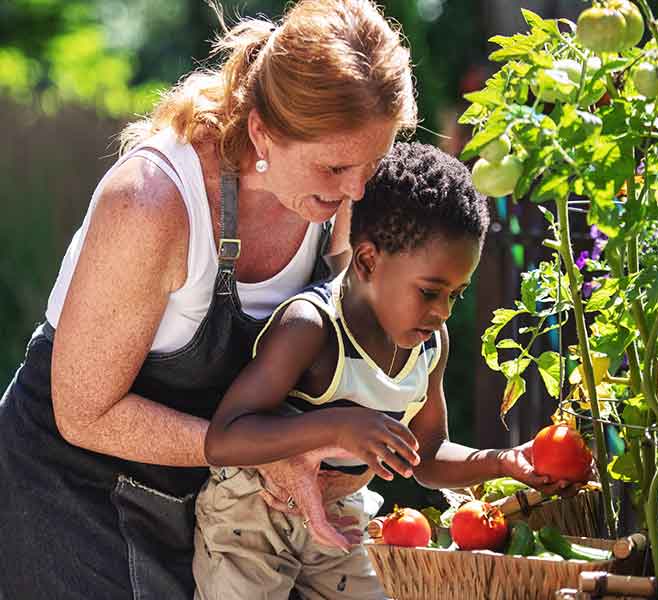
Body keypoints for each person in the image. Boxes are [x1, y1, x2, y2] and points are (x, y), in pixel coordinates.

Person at [0, 1, 416, 598]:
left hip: (207, 500)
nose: (358, 188)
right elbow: (83, 412)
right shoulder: (151, 201)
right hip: (70, 494)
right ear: (261, 133)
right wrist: (264, 452)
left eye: (372, 163)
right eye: (336, 167)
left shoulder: (341, 194)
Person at [192, 142, 585, 600]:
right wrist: (337, 428)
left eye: (455, 295)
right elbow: (224, 438)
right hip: (252, 515)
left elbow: (428, 454)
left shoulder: (429, 346)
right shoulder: (312, 327)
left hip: (339, 515)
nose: (442, 312)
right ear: (367, 261)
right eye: (429, 292)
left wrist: (500, 461)